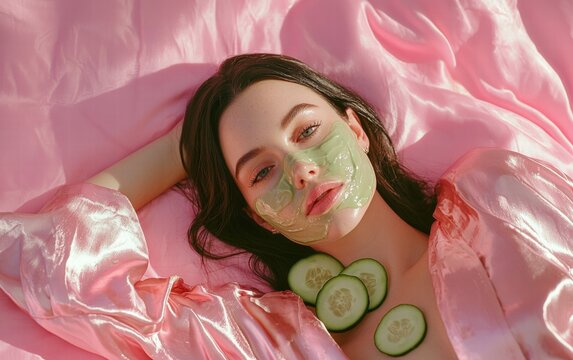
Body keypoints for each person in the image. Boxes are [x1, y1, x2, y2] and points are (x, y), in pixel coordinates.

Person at [68, 53, 573, 358]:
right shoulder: (268, 343)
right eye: (261, 171)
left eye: (307, 131)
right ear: (254, 214)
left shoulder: (497, 196)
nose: (301, 169)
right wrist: (184, 149)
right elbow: (63, 263)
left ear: (356, 131)